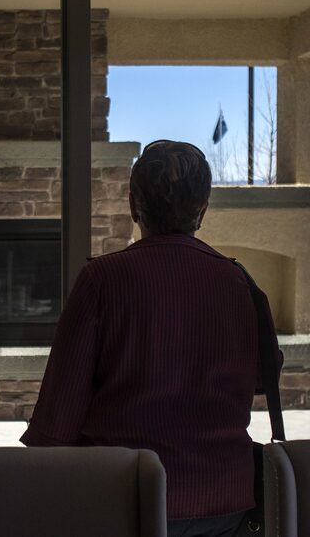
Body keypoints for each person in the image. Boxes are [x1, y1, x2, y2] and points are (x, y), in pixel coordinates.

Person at [20, 140, 282, 537]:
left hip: (122, 498)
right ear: (203, 209)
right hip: (223, 502)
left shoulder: (101, 282)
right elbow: (264, 379)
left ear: (132, 205)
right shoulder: (241, 284)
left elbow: (56, 421)